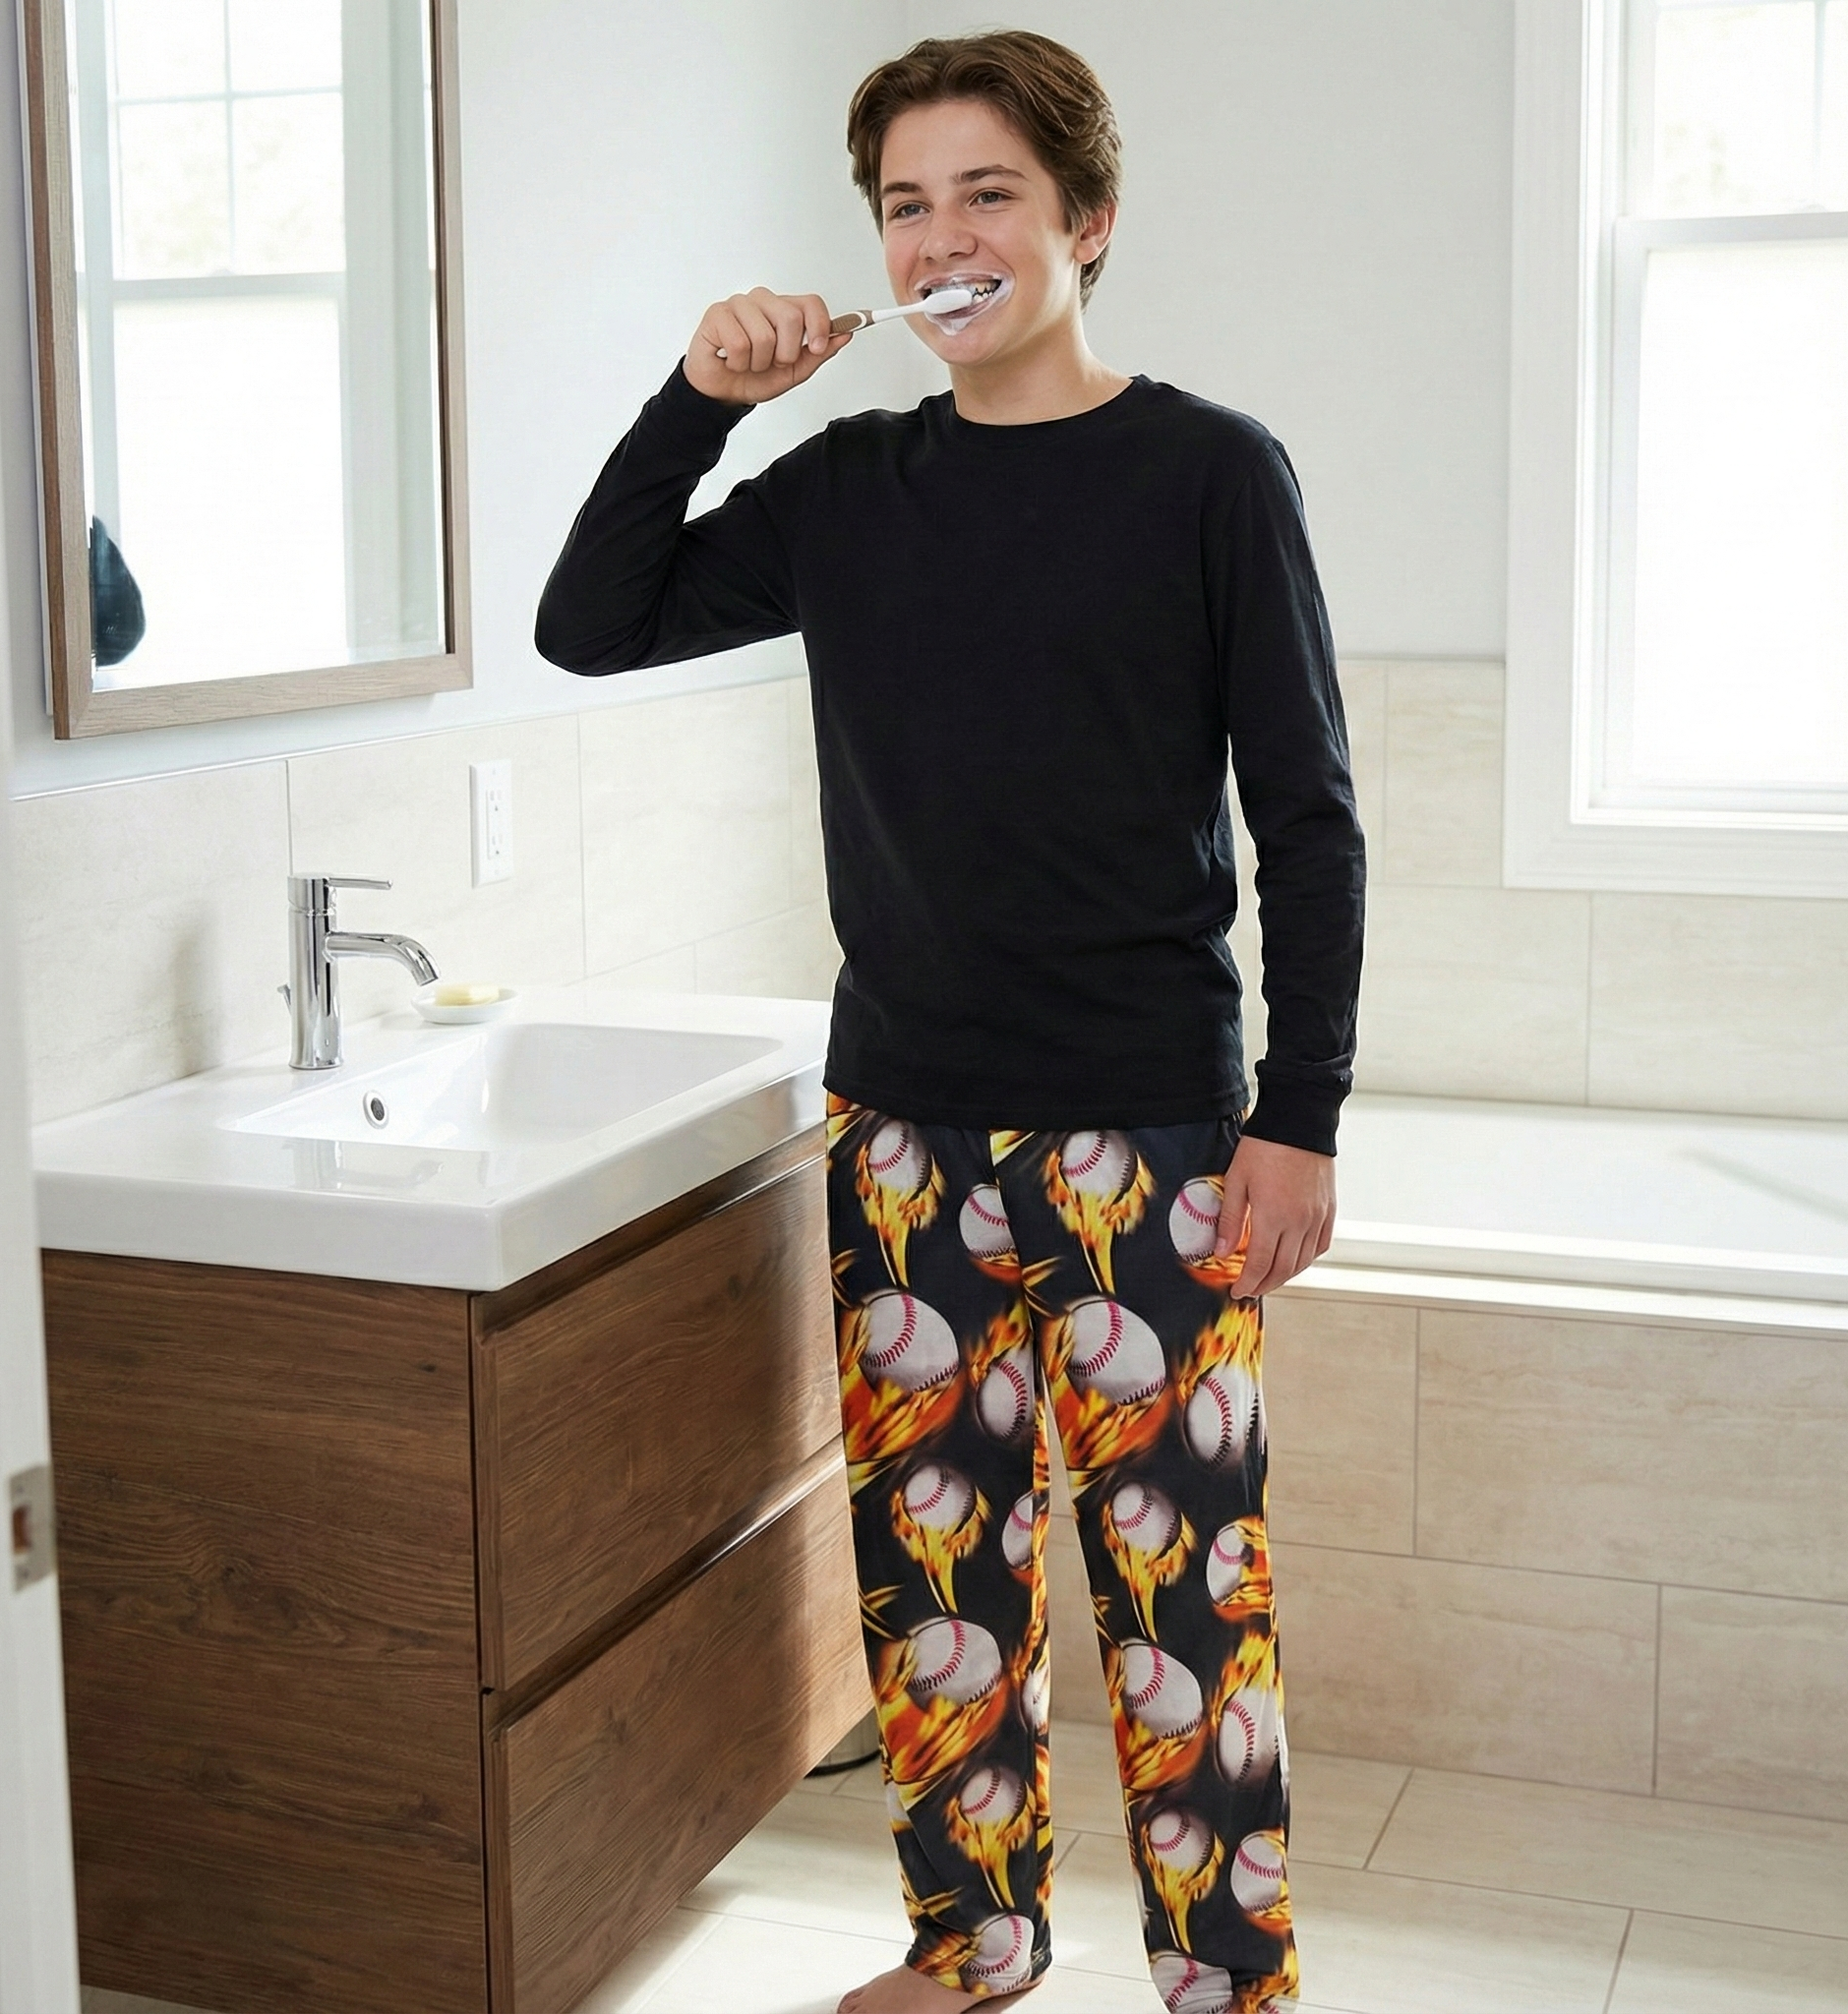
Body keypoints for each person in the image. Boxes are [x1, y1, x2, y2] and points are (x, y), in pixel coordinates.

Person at [537, 31, 1362, 2014]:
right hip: (900, 1125)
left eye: (985, 192)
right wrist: (696, 398)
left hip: (1147, 1135)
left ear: (1083, 223)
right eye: (904, 203)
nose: (942, 235)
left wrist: (1298, 1111)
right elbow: (593, 616)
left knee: (1181, 1597)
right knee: (938, 1577)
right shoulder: (847, 486)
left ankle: (1226, 1981)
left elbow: (1307, 814)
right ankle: (974, 1939)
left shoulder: (1207, 472)